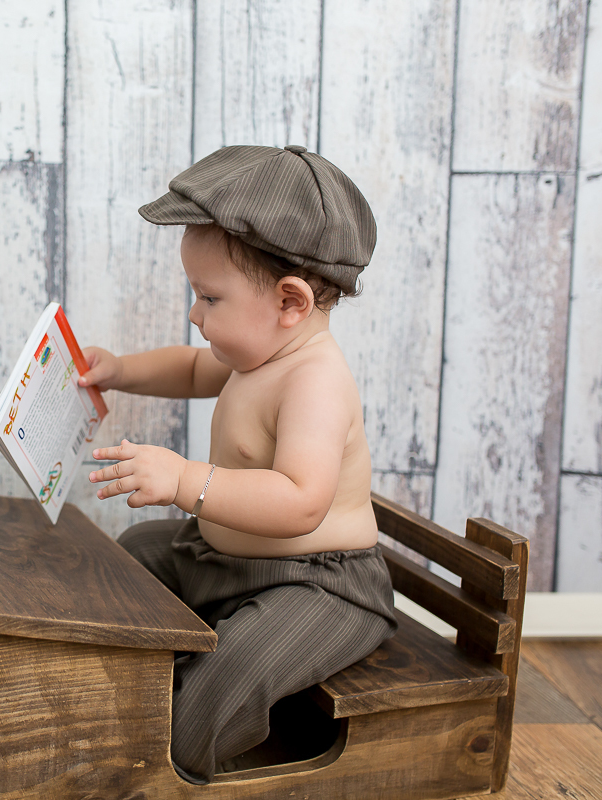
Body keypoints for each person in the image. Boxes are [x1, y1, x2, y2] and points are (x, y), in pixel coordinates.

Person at [80, 144, 397, 783]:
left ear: (290, 302)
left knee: (232, 674)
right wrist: (119, 371)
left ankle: (171, 772)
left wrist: (182, 480)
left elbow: (302, 502)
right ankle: (121, 693)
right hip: (228, 559)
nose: (195, 314)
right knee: (137, 552)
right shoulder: (259, 350)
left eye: (209, 298)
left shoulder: (315, 382)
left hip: (319, 584)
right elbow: (193, 366)